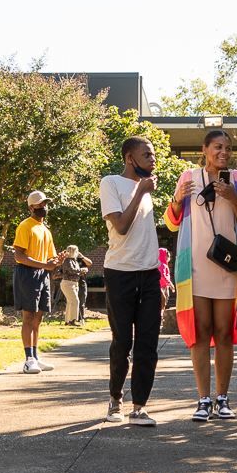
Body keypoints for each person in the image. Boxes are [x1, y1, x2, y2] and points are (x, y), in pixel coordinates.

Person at [165, 129, 237, 421]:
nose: (224, 152)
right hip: (196, 267)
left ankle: (223, 398)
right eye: (217, 147)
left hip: (227, 266)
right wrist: (177, 199)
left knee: (224, 333)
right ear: (204, 149)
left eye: (228, 148)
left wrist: (234, 199)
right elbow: (172, 223)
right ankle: (203, 400)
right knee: (200, 333)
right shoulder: (188, 177)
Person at [99, 136, 162, 426]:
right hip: (120, 272)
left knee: (148, 344)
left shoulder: (146, 188)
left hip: (150, 273)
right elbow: (122, 226)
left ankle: (139, 407)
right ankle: (115, 399)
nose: (153, 159)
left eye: (153, 154)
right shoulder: (111, 183)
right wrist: (140, 191)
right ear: (129, 158)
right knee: (122, 341)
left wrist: (160, 279)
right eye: (146, 154)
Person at [14, 190, 62, 374]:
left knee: (38, 318)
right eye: (40, 204)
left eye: (45, 204)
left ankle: (35, 357)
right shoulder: (25, 226)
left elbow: (50, 258)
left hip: (42, 275)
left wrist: (57, 261)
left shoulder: (45, 230)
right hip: (27, 274)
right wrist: (45, 265)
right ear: (30, 207)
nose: (44, 207)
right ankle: (28, 360)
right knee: (28, 317)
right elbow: (19, 256)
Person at [59, 245, 87, 326]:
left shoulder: (74, 260)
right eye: (76, 251)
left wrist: (81, 271)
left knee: (70, 302)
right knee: (75, 301)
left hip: (74, 283)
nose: (77, 253)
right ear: (73, 252)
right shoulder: (67, 260)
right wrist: (82, 270)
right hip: (68, 283)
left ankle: (68, 321)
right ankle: (72, 320)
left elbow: (75, 272)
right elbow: (71, 270)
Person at [158, 247, 175, 314]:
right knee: (164, 300)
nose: (169, 258)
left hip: (162, 285)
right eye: (168, 256)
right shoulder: (163, 265)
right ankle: (161, 313)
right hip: (163, 286)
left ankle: (161, 312)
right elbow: (163, 275)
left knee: (162, 300)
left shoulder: (159, 264)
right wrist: (170, 284)